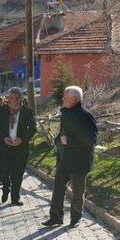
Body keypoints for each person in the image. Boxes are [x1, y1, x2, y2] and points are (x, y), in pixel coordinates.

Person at [42, 86, 97, 229]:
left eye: (64, 97)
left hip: (80, 161)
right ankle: (55, 217)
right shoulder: (66, 114)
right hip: (65, 159)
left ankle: (75, 218)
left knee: (78, 191)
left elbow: (91, 140)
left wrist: (69, 142)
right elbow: (62, 135)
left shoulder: (86, 116)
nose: (62, 99)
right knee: (58, 187)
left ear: (73, 100)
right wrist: (58, 141)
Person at [0, 87, 36, 206]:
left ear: (19, 99)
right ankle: (6, 188)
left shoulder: (27, 112)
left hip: (21, 148)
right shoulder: (3, 110)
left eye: (11, 98)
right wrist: (4, 138)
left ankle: (15, 197)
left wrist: (22, 139)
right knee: (3, 172)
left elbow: (33, 129)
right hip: (5, 147)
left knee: (17, 174)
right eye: (8, 97)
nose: (8, 99)